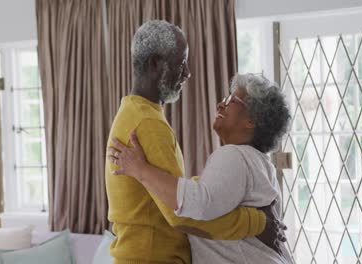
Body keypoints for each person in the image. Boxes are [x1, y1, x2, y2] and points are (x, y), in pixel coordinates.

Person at [105, 20, 285, 264]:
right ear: (156, 64)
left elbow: (187, 199)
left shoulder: (134, 113)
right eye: (180, 63)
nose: (188, 72)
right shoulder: (147, 123)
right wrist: (259, 222)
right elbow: (184, 214)